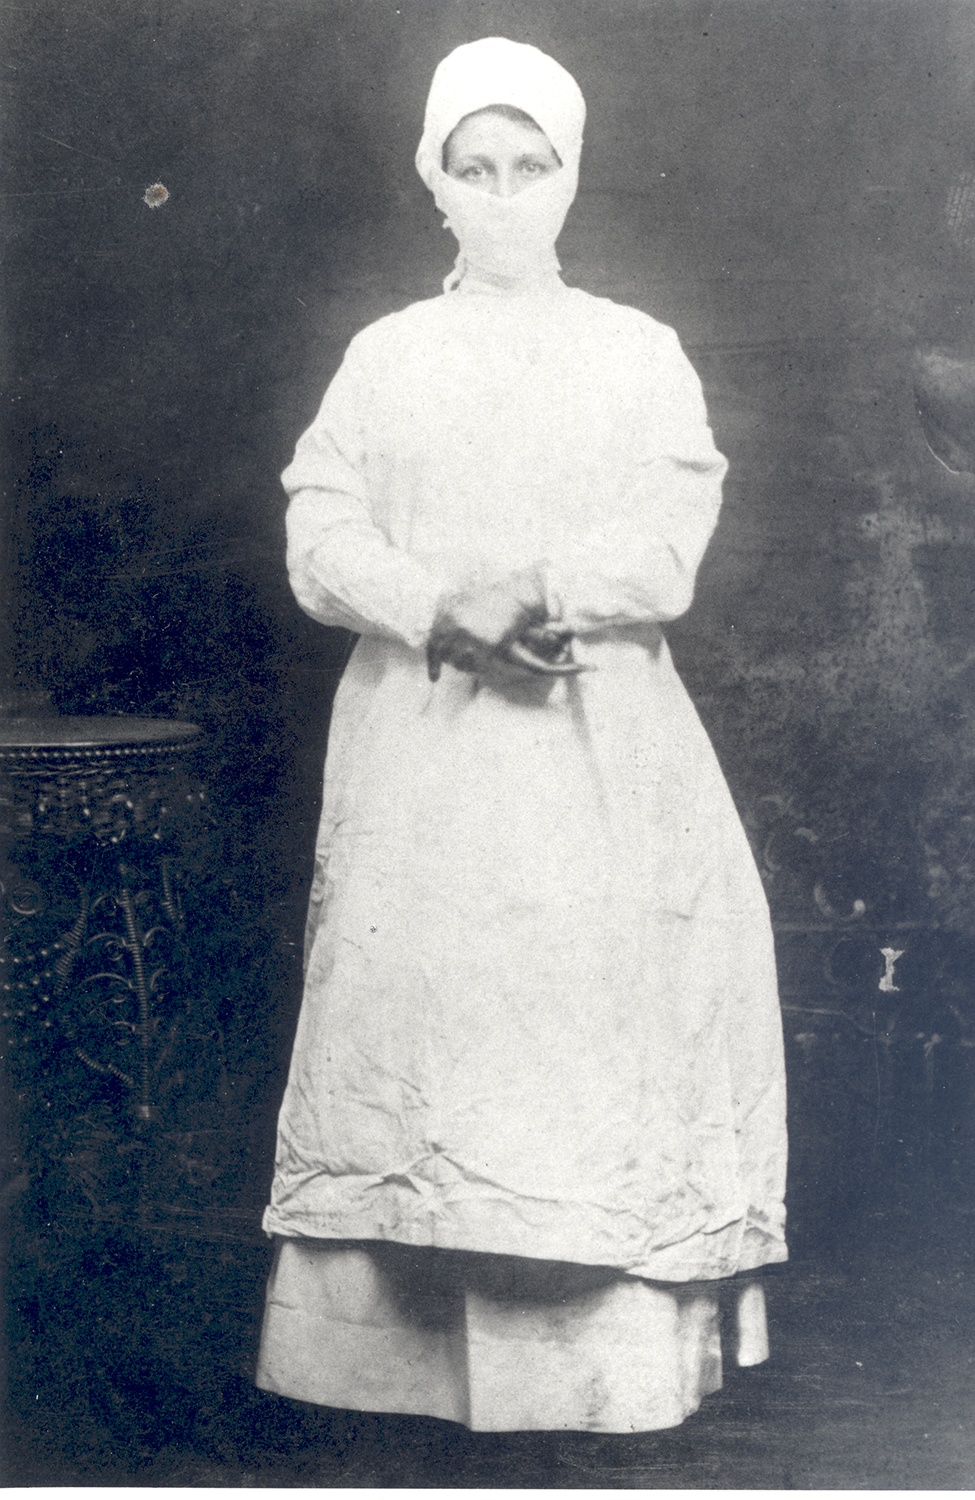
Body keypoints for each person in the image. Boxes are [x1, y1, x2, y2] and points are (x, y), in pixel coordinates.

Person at [256, 36, 787, 1435]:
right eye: (472, 168)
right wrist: (438, 607)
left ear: (570, 176)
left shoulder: (636, 353)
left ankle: (602, 1379)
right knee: (429, 1035)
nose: (502, 194)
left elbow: (668, 542)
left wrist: (538, 590)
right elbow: (319, 530)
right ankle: (400, 1374)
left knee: (583, 1039)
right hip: (427, 754)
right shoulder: (386, 358)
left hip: (595, 755)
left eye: (529, 166)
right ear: (435, 182)